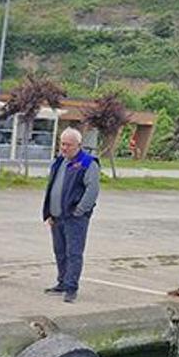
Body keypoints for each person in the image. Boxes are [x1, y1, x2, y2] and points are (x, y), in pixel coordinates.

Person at [43, 128, 99, 304]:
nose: (64, 148)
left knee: (74, 253)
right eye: (62, 144)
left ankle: (71, 288)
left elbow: (92, 190)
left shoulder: (87, 163)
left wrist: (80, 210)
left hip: (74, 218)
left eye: (68, 145)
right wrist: (49, 213)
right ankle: (62, 282)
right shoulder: (59, 162)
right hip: (57, 217)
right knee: (60, 251)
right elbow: (51, 187)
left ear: (78, 145)